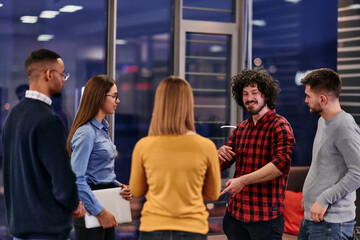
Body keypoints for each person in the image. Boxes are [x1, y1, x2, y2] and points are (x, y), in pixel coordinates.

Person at [2, 49, 85, 240]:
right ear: (49, 74)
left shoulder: (13, 116)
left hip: (19, 228)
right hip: (46, 229)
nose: (64, 79)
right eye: (62, 74)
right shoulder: (49, 120)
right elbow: (61, 178)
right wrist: (73, 204)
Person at [129, 76, 221, 240]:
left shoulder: (144, 145)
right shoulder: (206, 146)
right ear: (188, 105)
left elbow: (137, 190)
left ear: (159, 104)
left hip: (153, 229)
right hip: (193, 229)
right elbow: (212, 194)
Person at [218, 69, 296, 240]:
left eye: (254, 92)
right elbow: (222, 164)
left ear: (266, 95)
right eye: (245, 94)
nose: (249, 98)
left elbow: (280, 166)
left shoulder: (280, 125)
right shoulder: (241, 129)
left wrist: (243, 180)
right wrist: (218, 155)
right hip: (235, 216)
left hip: (265, 219)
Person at [67, 74, 132, 240]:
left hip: (105, 202)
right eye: (114, 96)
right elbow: (77, 180)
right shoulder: (86, 132)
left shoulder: (102, 129)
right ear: (99, 97)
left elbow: (97, 172)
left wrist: (118, 186)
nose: (117, 101)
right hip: (92, 206)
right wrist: (100, 211)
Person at [297, 68, 360, 240]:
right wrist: (309, 198)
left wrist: (323, 199)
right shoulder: (322, 121)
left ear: (323, 99)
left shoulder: (344, 126)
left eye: (309, 96)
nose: (306, 100)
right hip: (314, 216)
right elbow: (323, 166)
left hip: (331, 224)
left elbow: (357, 173)